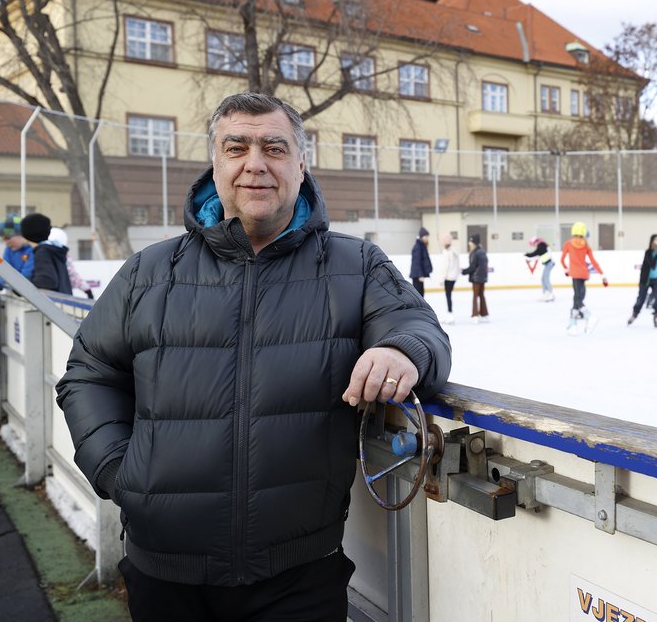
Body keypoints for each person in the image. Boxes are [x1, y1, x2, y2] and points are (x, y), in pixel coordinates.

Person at [54, 93, 451, 621]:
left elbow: (419, 327)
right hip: (165, 570)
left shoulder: (356, 265)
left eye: (274, 147)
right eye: (236, 147)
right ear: (215, 163)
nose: (255, 163)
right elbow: (89, 375)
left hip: (299, 573)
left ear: (300, 164)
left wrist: (401, 350)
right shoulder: (148, 272)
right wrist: (117, 471)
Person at [560, 222, 606, 333]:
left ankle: (587, 315)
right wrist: (602, 274)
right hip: (584, 274)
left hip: (575, 274)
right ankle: (574, 315)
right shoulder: (586, 245)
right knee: (580, 294)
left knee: (577, 296)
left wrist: (566, 269)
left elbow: (562, 260)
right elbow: (593, 262)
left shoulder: (568, 244)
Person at [21, 213, 72, 295]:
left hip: (53, 303)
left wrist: (22, 286)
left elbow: (46, 281)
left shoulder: (43, 253)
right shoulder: (53, 249)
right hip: (63, 300)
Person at [627, 234, 657, 329]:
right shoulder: (648, 252)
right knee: (641, 298)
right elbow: (652, 264)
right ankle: (635, 314)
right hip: (646, 279)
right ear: (652, 241)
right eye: (656, 240)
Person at [47, 227, 95, 299]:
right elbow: (73, 275)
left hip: (44, 294)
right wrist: (87, 290)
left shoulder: (39, 253)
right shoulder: (63, 256)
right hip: (62, 294)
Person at [0, 214, 35, 280]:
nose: (6, 243)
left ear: (22, 235)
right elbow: (4, 272)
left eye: (7, 238)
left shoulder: (33, 250)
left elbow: (26, 276)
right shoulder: (9, 249)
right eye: (3, 239)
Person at [462, 233, 489, 323]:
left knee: (475, 296)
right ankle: (484, 314)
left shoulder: (476, 253)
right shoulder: (482, 251)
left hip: (477, 278)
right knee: (481, 295)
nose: (469, 243)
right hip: (482, 277)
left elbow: (473, 267)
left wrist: (464, 271)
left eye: (470, 241)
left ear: (474, 242)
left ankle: (475, 315)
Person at [525, 236, 555, 302]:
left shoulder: (542, 245)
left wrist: (528, 254)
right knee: (543, 278)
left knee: (545, 278)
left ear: (536, 242)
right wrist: (530, 259)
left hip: (549, 264)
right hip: (548, 264)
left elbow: (536, 253)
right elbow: (538, 255)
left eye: (533, 244)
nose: (534, 245)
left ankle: (550, 293)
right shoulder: (541, 246)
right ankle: (545, 293)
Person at [439, 232, 460, 324]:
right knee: (449, 295)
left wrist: (441, 279)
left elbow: (445, 267)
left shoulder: (446, 252)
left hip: (448, 277)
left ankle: (450, 315)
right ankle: (449, 314)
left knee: (448, 296)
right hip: (454, 276)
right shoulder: (454, 251)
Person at [409, 226, 433, 297]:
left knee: (421, 294)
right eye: (426, 237)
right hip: (417, 276)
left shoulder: (422, 246)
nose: (427, 239)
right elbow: (416, 262)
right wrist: (420, 275)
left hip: (419, 275)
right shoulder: (418, 247)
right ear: (422, 237)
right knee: (418, 295)